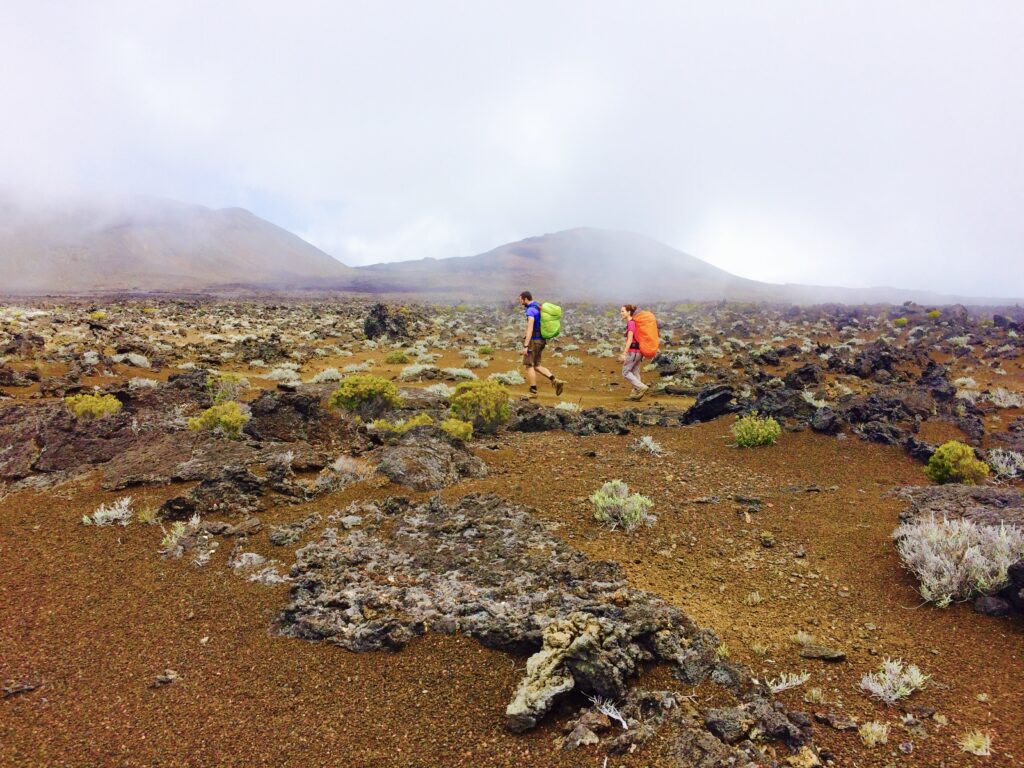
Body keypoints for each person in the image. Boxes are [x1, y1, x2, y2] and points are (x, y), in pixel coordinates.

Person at [519, 291, 565, 397]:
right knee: (537, 365)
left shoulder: (530, 310)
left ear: (526, 299)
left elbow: (530, 329)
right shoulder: (538, 307)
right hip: (541, 340)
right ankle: (556, 381)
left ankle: (533, 391)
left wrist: (526, 346)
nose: (520, 302)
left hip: (534, 341)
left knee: (529, 366)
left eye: (521, 299)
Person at [619, 304, 649, 400]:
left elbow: (630, 339)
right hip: (639, 352)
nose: (621, 313)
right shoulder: (634, 322)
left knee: (625, 372)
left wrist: (624, 353)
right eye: (621, 311)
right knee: (635, 372)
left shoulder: (631, 323)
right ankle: (635, 394)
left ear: (629, 312)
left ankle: (641, 387)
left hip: (634, 351)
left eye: (623, 311)